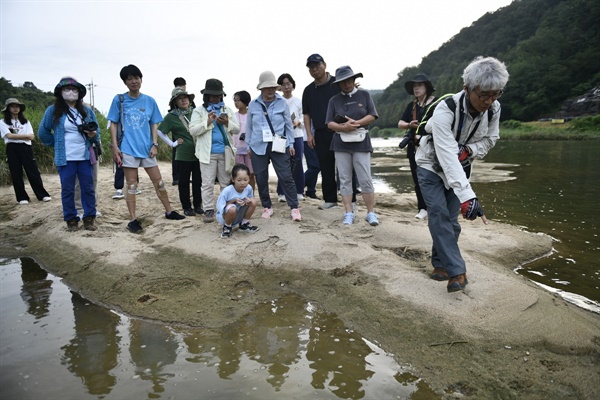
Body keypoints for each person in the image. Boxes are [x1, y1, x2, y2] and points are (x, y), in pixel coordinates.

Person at [416, 56, 509, 292]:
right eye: (484, 95)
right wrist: (469, 196)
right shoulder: (443, 110)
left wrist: (469, 150)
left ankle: (440, 264)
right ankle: (457, 272)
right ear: (467, 89)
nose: (489, 101)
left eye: (495, 94)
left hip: (462, 166)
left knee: (451, 222)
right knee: (437, 213)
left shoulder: (494, 108)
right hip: (430, 165)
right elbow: (447, 156)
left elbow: (491, 139)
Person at [107, 64, 185, 234]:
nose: (134, 81)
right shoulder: (119, 100)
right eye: (129, 79)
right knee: (131, 185)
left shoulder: (149, 101)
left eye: (136, 78)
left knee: (160, 182)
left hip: (147, 148)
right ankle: (133, 220)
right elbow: (113, 123)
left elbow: (154, 124)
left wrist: (155, 144)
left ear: (141, 79)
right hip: (128, 148)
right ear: (125, 82)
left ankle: (169, 211)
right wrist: (115, 147)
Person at [38, 77, 99, 231]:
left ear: (79, 93)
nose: (71, 92)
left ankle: (89, 218)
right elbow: (43, 131)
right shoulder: (53, 111)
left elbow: (96, 132)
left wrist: (92, 136)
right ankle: (71, 219)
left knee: (88, 188)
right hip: (65, 158)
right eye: (67, 89)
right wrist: (57, 143)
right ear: (60, 92)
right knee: (67, 189)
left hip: (84, 156)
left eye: (74, 90)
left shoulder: (87, 111)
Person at [325, 66, 380, 226]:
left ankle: (371, 213)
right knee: (344, 178)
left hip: (361, 141)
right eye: (343, 82)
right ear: (338, 84)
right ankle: (348, 212)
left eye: (349, 80)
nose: (347, 84)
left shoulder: (364, 94)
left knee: (365, 178)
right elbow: (329, 123)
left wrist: (357, 123)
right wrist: (343, 127)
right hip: (340, 143)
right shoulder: (334, 100)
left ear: (354, 80)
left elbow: (373, 115)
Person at [246, 71, 301, 222]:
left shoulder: (282, 102)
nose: (270, 90)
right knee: (261, 178)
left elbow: (288, 125)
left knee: (286, 176)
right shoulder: (253, 104)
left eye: (272, 87)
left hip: (279, 144)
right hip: (258, 145)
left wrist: (290, 143)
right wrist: (248, 146)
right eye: (267, 87)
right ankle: (267, 207)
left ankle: (294, 208)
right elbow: (249, 127)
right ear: (261, 89)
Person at [302, 54, 349, 209]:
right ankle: (330, 200)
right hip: (321, 132)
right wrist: (309, 134)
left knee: (345, 167)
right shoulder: (308, 90)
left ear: (325, 65)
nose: (314, 69)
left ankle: (351, 200)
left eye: (317, 65)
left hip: (342, 130)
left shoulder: (338, 83)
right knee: (325, 167)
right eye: (311, 67)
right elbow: (306, 114)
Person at [189, 78, 239, 224]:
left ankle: (225, 207)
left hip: (225, 152)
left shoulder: (227, 110)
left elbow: (237, 129)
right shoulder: (199, 111)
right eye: (212, 95)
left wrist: (227, 122)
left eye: (217, 95)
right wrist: (208, 121)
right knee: (207, 183)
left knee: (225, 183)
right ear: (206, 95)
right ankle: (208, 209)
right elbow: (193, 130)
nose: (215, 97)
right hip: (207, 153)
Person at [398, 73, 437, 220]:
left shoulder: (437, 104)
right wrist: (409, 125)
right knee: (417, 180)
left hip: (432, 148)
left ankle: (434, 207)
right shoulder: (412, 106)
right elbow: (400, 123)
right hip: (414, 147)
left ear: (426, 87)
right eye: (414, 86)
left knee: (434, 178)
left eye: (419, 85)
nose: (416, 89)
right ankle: (422, 208)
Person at [159, 87, 202, 216]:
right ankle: (187, 207)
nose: (183, 100)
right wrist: (173, 143)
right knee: (183, 182)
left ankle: (198, 205)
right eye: (180, 98)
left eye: (185, 98)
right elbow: (160, 131)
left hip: (199, 152)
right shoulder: (171, 116)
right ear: (175, 102)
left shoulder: (196, 112)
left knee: (198, 181)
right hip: (183, 154)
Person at [1, 98, 51, 205]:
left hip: (26, 148)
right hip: (12, 148)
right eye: (12, 106)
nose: (15, 108)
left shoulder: (25, 122)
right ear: (8, 108)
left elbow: (31, 136)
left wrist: (17, 137)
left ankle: (42, 195)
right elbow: (9, 136)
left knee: (33, 171)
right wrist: (24, 136)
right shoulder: (3, 122)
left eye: (17, 106)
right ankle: (22, 197)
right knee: (16, 172)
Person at [276, 73, 305, 203]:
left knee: (297, 163)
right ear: (279, 87)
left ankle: (299, 191)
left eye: (288, 84)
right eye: (283, 84)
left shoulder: (298, 101)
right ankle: (281, 192)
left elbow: (305, 116)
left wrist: (298, 123)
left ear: (293, 85)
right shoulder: (278, 101)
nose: (286, 87)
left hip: (297, 135)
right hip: (281, 136)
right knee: (282, 164)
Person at [216, 163, 259, 238]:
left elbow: (250, 200)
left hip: (239, 214)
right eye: (239, 180)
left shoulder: (248, 188)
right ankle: (227, 227)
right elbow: (220, 207)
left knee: (253, 201)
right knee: (232, 208)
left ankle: (244, 224)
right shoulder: (227, 190)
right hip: (225, 217)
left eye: (245, 180)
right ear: (233, 179)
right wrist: (233, 201)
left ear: (249, 178)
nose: (242, 183)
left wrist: (247, 201)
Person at [232, 90, 256, 192]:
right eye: (235, 100)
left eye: (238, 100)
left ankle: (251, 194)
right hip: (237, 148)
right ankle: (239, 193)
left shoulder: (251, 115)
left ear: (245, 101)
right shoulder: (233, 115)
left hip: (249, 148)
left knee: (251, 173)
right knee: (239, 173)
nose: (236, 103)